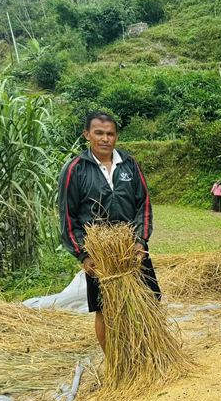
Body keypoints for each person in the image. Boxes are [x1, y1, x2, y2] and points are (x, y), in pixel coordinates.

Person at [58, 111, 161, 352]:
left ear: (116, 136)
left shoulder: (129, 163)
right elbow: (67, 216)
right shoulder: (75, 169)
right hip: (100, 255)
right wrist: (84, 255)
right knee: (104, 310)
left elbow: (143, 204)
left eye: (110, 134)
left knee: (151, 300)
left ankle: (150, 352)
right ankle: (115, 361)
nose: (105, 138)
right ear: (87, 135)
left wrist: (140, 241)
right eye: (99, 133)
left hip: (131, 249)